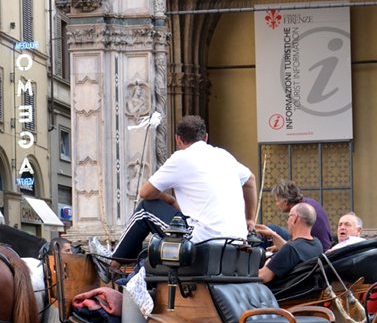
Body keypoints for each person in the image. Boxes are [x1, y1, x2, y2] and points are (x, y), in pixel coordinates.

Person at [109, 115, 257, 263]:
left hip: (203, 240)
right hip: (237, 240)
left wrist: (169, 199)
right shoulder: (224, 155)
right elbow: (250, 180)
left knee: (145, 210)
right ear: (205, 137)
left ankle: (114, 261)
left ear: (178, 139)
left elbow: (145, 193)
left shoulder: (181, 158)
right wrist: (249, 219)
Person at [255, 203, 323, 285]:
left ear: (295, 219)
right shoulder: (317, 244)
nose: (287, 222)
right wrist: (273, 235)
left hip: (277, 295)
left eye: (289, 216)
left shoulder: (291, 249)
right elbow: (295, 252)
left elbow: (263, 276)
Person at [268, 179, 332, 251]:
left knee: (270, 229)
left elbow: (299, 243)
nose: (276, 204)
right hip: (318, 244)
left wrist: (280, 245)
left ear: (285, 201)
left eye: (277, 201)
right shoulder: (307, 202)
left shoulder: (299, 213)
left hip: (315, 249)